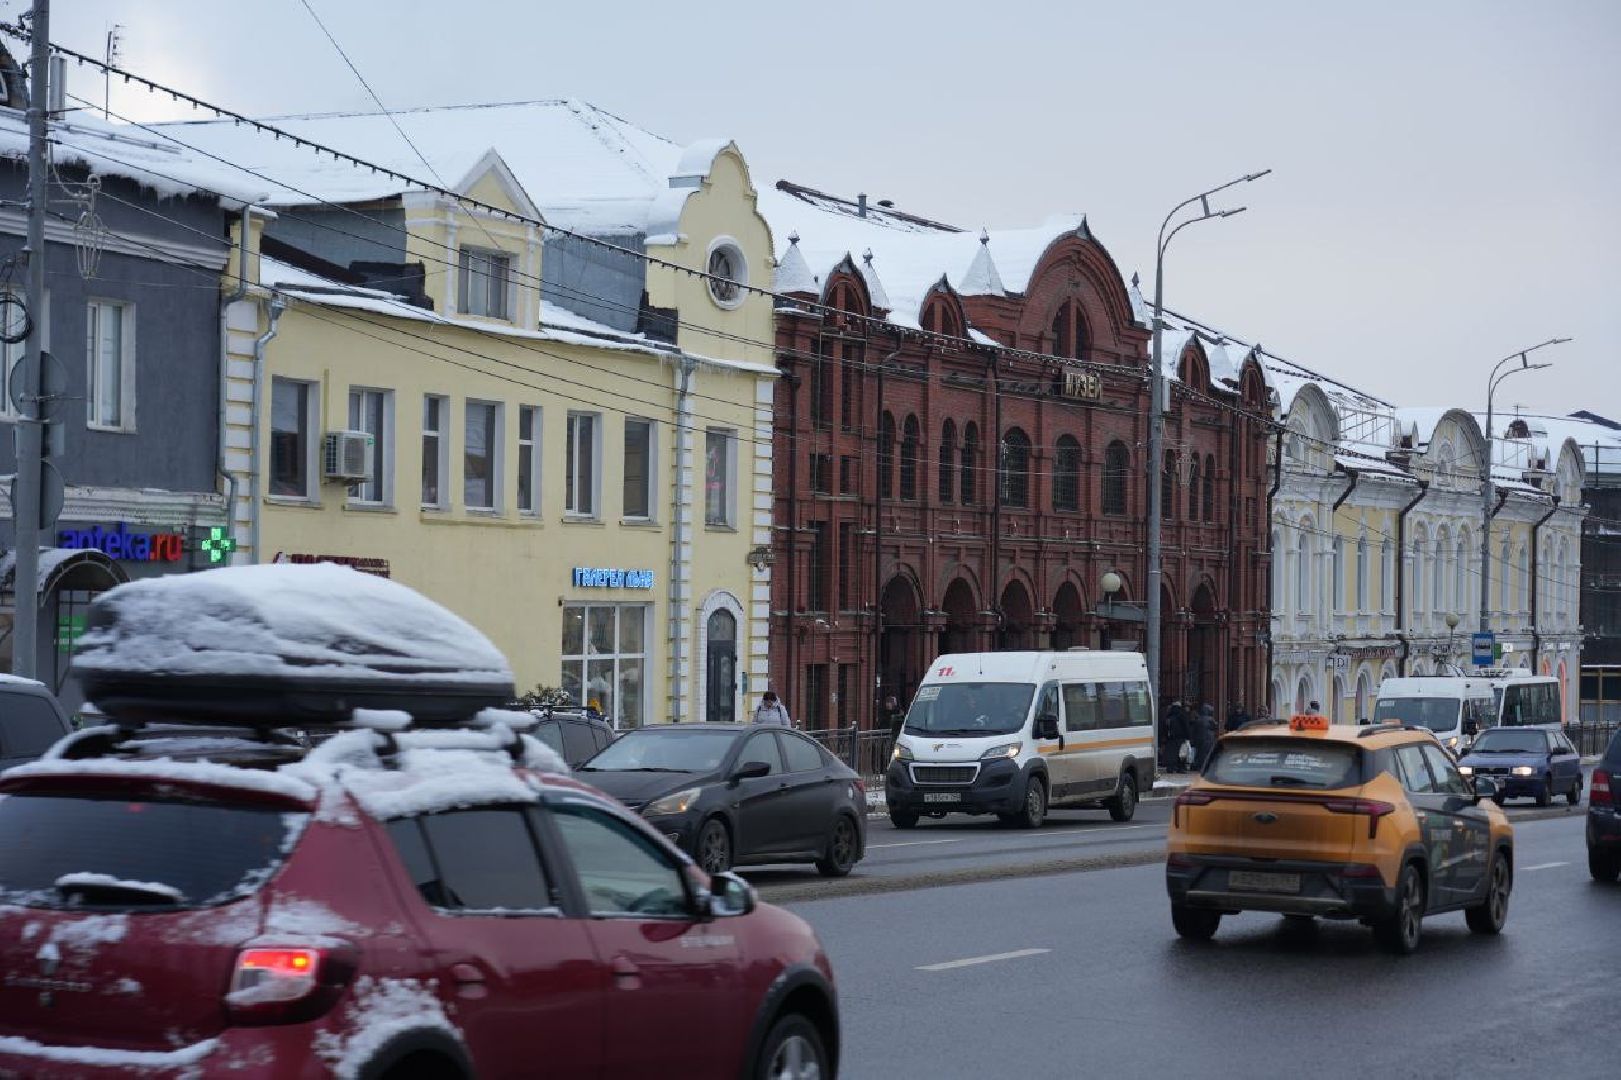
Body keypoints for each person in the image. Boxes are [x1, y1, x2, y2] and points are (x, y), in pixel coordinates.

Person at [1192, 702, 1217, 771]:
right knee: (1207, 753)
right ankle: (1205, 766)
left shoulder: (1198, 719)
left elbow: (1194, 730)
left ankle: (1198, 766)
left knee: (1200, 753)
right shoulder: (1211, 719)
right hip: (1209, 739)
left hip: (1200, 739)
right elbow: (1215, 727)